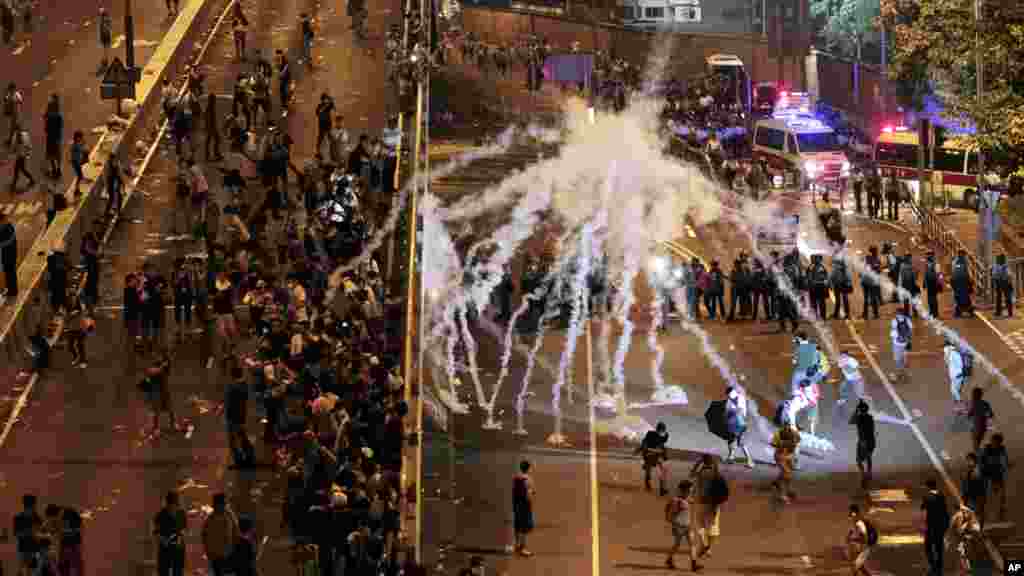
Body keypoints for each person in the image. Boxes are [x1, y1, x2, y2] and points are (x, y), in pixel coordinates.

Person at [689, 454, 724, 559]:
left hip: (702, 501)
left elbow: (691, 474)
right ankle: (708, 547)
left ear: (704, 462)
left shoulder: (701, 472)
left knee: (700, 524)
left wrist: (698, 463)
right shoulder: (716, 473)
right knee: (713, 526)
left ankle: (705, 544)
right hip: (714, 502)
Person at [664, 480, 700, 571]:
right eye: (689, 491)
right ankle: (669, 559)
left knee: (692, 543)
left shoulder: (687, 498)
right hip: (679, 526)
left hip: (687, 525)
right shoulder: (676, 500)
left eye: (691, 491)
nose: (691, 492)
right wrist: (673, 522)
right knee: (677, 545)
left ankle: (694, 563)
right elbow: (670, 514)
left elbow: (691, 501)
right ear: (683, 490)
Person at [202, 493, 239, 576]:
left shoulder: (229, 515)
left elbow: (236, 532)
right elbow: (204, 535)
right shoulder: (211, 518)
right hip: (216, 554)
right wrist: (208, 551)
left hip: (228, 552)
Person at [921, 478, 950, 576]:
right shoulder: (941, 495)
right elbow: (945, 510)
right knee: (939, 545)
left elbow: (923, 507)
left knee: (928, 546)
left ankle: (933, 564)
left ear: (928, 486)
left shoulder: (927, 496)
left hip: (931, 525)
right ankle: (939, 565)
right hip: (940, 524)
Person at [154, 491, 186, 576]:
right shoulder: (161, 515)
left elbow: (184, 529)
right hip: (165, 549)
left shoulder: (181, 514)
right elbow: (156, 532)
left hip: (178, 549)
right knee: (164, 571)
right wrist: (163, 540)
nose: (173, 507)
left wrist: (180, 538)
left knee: (178, 571)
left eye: (174, 505)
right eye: (171, 505)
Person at [980, 433, 1009, 523]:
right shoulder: (987, 449)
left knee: (1002, 491)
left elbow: (1004, 458)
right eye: (994, 442)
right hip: (988, 473)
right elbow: (982, 461)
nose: (995, 444)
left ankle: (1002, 508)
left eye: (997, 442)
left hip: (997, 472)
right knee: (988, 492)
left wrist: (1006, 463)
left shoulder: (1001, 448)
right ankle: (983, 511)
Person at [636, 422, 669, 495]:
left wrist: (664, 455)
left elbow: (662, 445)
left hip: (657, 454)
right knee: (648, 471)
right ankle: (648, 484)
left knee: (663, 469)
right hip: (649, 454)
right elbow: (644, 442)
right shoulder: (650, 434)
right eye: (660, 430)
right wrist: (642, 449)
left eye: (662, 430)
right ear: (657, 429)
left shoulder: (665, 435)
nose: (661, 431)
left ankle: (662, 488)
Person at [724, 385, 754, 468]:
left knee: (742, 443)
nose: (729, 397)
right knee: (730, 440)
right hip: (734, 424)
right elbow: (727, 412)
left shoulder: (738, 398)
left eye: (729, 395)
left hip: (740, 424)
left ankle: (750, 461)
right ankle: (731, 457)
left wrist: (731, 412)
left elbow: (739, 411)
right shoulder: (732, 399)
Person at [13, 494, 43, 576]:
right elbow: (17, 534)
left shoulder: (19, 517)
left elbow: (17, 534)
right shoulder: (36, 517)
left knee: (26, 570)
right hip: (30, 549)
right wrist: (31, 532)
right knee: (30, 571)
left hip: (27, 548)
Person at [771, 421, 799, 503]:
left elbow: (796, 444)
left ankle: (778, 483)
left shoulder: (794, 433)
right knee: (786, 473)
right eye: (785, 426)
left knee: (787, 473)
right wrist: (780, 445)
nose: (787, 428)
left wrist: (794, 456)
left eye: (788, 426)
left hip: (789, 456)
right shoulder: (778, 434)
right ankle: (782, 495)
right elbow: (773, 444)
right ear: (782, 427)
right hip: (780, 456)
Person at [850, 400, 875, 489]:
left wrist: (856, 410)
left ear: (860, 410)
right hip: (871, 441)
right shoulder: (870, 417)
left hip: (863, 441)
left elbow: (851, 421)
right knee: (868, 457)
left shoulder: (859, 418)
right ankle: (869, 473)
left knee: (859, 460)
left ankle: (864, 474)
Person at [512, 460, 535, 557]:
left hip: (516, 505)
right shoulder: (528, 479)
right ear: (528, 468)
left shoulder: (516, 478)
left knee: (517, 526)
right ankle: (523, 549)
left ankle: (517, 546)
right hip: (524, 505)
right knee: (524, 528)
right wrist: (531, 496)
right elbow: (528, 495)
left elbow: (514, 492)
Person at [950, 504, 981, 574]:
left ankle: (966, 567)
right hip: (964, 536)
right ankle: (966, 567)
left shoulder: (966, 517)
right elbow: (958, 530)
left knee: (964, 552)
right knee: (962, 552)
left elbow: (961, 530)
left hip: (967, 535)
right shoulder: (961, 516)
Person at [961, 452, 988, 529]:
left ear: (974, 460)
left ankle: (978, 529)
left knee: (978, 512)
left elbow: (979, 483)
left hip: (976, 495)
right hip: (970, 495)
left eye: (969, 460)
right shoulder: (970, 470)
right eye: (967, 460)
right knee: (970, 512)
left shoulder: (977, 471)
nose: (967, 462)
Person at [847, 504, 874, 576]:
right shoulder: (857, 521)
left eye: (851, 512)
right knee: (859, 566)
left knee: (855, 567)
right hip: (861, 547)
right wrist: (850, 535)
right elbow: (853, 530)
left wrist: (854, 539)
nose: (850, 514)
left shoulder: (860, 523)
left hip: (864, 548)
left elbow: (864, 537)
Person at [967, 387, 993, 453]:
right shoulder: (985, 403)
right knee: (977, 442)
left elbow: (969, 414)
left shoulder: (973, 403)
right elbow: (991, 414)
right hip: (981, 426)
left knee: (976, 443)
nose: (972, 396)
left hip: (976, 426)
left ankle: (978, 455)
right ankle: (978, 454)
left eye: (973, 394)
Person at [890, 309, 912, 381]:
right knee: (905, 359)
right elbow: (910, 331)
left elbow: (893, 334)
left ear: (897, 314)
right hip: (905, 343)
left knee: (897, 359)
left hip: (897, 344)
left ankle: (899, 373)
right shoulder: (908, 320)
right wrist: (908, 341)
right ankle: (905, 374)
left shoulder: (894, 321)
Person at [992, 253, 1014, 317]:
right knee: (1005, 298)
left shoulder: (998, 266)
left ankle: (1001, 312)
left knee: (1002, 298)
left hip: (1001, 282)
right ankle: (1008, 312)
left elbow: (994, 275)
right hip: (1004, 282)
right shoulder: (1004, 266)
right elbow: (1009, 275)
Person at [0, 211, 15, 301]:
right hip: (6, 254)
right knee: (8, 273)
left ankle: (12, 291)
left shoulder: (9, 227)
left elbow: (9, 240)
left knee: (11, 273)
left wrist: (1, 244)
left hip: (10, 254)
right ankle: (10, 290)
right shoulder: (4, 227)